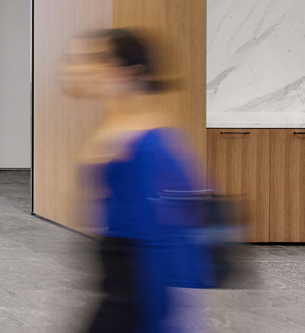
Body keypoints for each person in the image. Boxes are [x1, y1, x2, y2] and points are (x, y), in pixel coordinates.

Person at [61, 29, 207, 333]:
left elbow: (161, 242)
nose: (78, 68)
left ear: (129, 73)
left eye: (96, 59)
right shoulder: (118, 129)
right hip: (118, 281)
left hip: (135, 291)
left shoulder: (148, 142)